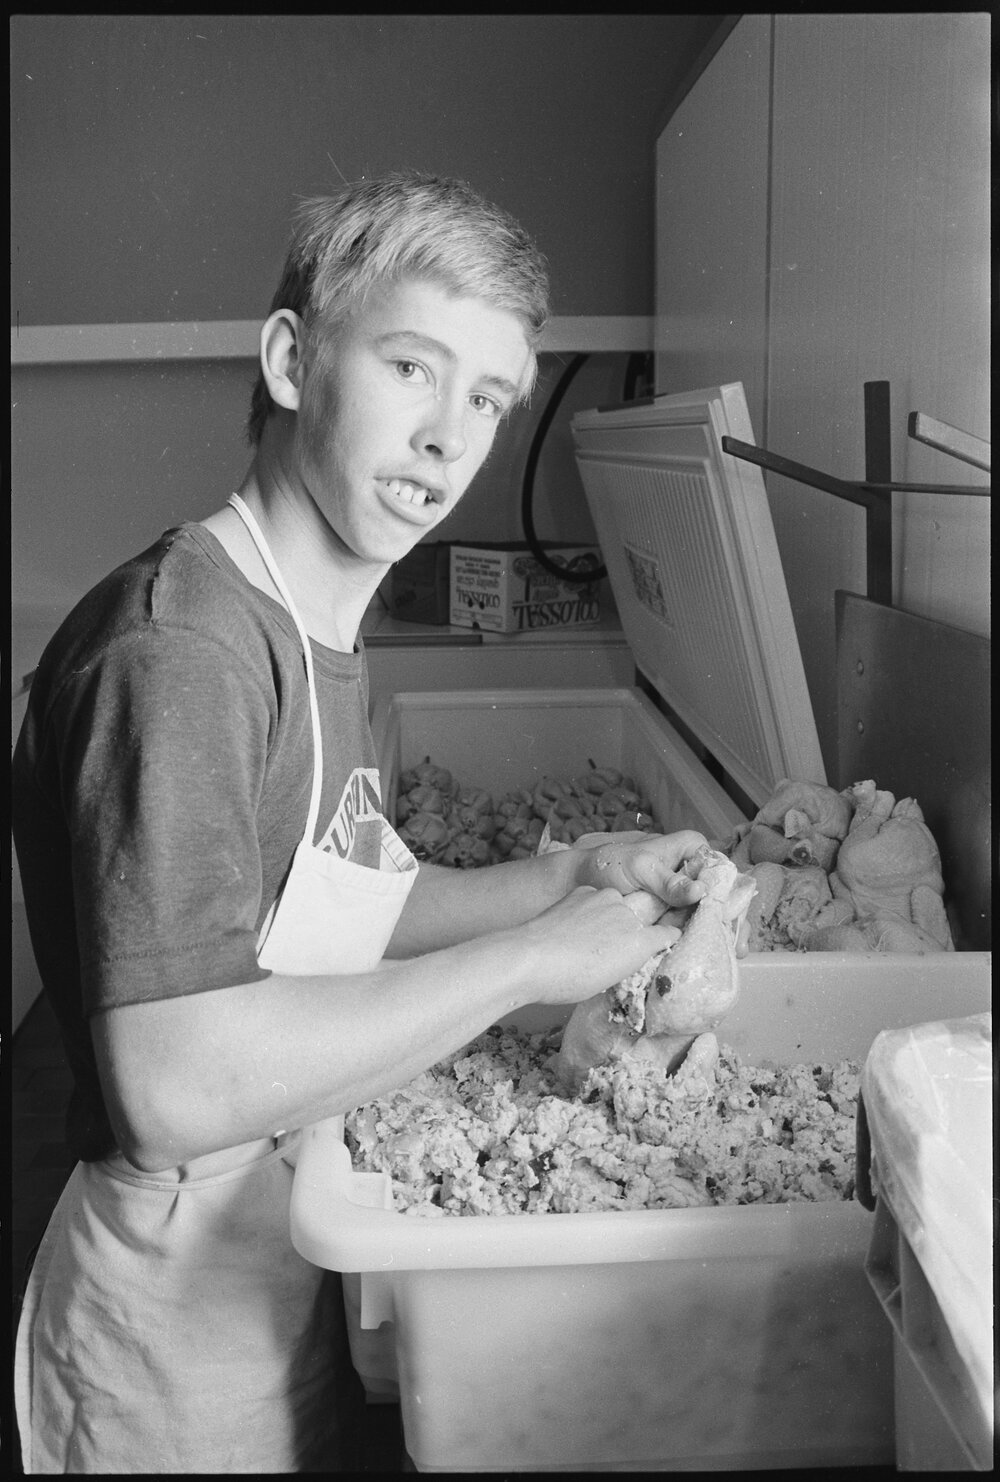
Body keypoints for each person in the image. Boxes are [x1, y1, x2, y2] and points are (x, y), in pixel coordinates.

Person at [11, 169, 709, 1474]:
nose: (451, 436)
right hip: (167, 1322)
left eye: (489, 399)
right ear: (291, 360)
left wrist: (571, 876)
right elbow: (174, 1085)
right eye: (410, 366)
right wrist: (528, 963)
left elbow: (351, 903)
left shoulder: (318, 622)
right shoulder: (185, 651)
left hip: (275, 1240)